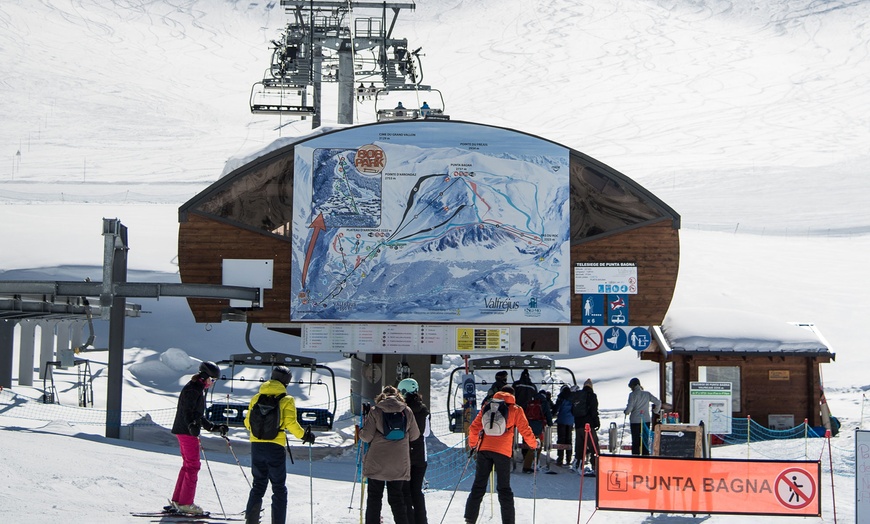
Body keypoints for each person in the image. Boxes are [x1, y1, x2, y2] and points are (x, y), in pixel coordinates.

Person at [243, 366, 314, 524]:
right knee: (279, 487)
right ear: (286, 382)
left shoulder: (256, 397)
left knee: (258, 484)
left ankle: (251, 520)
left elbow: (248, 423)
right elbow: (291, 423)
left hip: (256, 446)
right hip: (275, 447)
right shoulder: (286, 400)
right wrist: (305, 436)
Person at [464, 386, 538, 524]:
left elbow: (474, 427)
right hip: (503, 452)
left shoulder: (488, 405)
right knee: (504, 489)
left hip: (484, 450)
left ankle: (470, 519)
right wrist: (533, 445)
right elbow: (525, 430)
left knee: (478, 485)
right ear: (513, 395)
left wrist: (473, 445)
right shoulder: (515, 409)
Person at [169, 361, 228, 515]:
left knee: (188, 465)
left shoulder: (196, 388)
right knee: (193, 466)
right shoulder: (193, 390)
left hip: (185, 430)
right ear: (205, 376)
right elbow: (187, 412)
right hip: (186, 432)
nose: (213, 383)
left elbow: (197, 415)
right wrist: (191, 426)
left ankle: (178, 500)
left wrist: (213, 427)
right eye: (213, 380)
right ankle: (186, 503)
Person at [360, 385, 420, 524]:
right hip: (399, 462)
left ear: (383, 396)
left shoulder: (376, 411)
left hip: (377, 461)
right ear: (398, 395)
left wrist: (362, 431)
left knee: (374, 497)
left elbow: (366, 437)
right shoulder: (407, 410)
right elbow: (415, 435)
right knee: (397, 498)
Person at [398, 378, 430, 524]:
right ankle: (422, 520)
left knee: (405, 492)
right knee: (417, 491)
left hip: (403, 454)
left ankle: (409, 520)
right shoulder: (423, 409)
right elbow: (427, 432)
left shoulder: (400, 409)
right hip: (420, 455)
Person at [624, 377, 661, 455]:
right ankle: (645, 456)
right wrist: (656, 411)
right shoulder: (647, 394)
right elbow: (658, 402)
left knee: (636, 441)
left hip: (635, 421)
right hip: (646, 420)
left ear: (633, 386)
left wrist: (626, 412)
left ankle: (635, 457)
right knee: (644, 440)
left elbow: (630, 407)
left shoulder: (632, 395)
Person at [572, 379, 600, 473]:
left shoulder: (578, 396)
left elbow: (573, 410)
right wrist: (596, 422)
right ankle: (595, 466)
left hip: (578, 424)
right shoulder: (592, 396)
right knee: (594, 446)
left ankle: (578, 465)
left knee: (580, 446)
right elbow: (594, 411)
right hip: (588, 425)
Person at [521, 389, 552, 473]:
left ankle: (533, 464)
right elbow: (548, 414)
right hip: (537, 427)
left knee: (534, 445)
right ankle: (528, 466)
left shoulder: (531, 401)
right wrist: (550, 423)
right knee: (535, 446)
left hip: (528, 425)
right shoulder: (544, 402)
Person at [552, 385, 574, 467]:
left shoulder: (561, 397)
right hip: (571, 420)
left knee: (561, 439)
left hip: (562, 420)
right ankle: (569, 459)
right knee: (569, 439)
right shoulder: (573, 397)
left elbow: (557, 408)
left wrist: (553, 413)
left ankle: (560, 458)